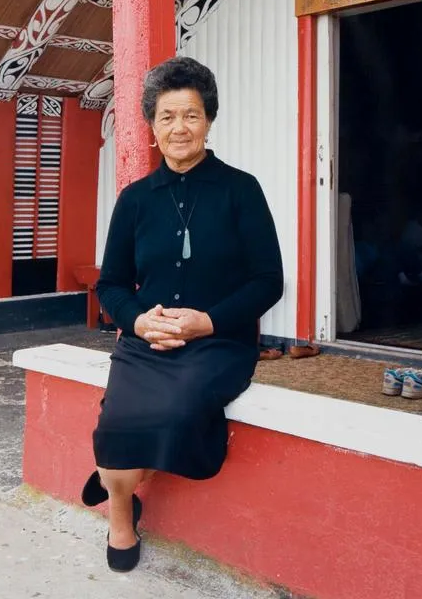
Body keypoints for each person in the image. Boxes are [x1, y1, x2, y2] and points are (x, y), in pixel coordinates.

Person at [81, 57, 283, 572]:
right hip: (145, 340)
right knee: (116, 426)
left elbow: (268, 281)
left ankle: (113, 478)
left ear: (209, 119)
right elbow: (111, 284)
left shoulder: (242, 190)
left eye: (190, 115)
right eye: (167, 116)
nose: (179, 128)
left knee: (174, 410)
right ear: (152, 125)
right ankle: (121, 516)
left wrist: (207, 322)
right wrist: (137, 321)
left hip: (218, 341)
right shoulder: (134, 200)